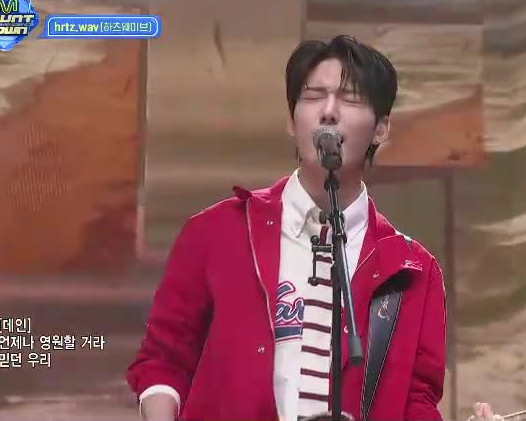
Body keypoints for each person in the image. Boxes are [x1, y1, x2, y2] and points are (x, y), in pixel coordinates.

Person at [126, 35, 502, 421]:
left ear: (381, 129)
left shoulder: (414, 271)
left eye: (350, 99)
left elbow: (415, 404)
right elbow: (164, 359)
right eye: (313, 96)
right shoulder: (216, 233)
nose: (328, 112)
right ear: (292, 121)